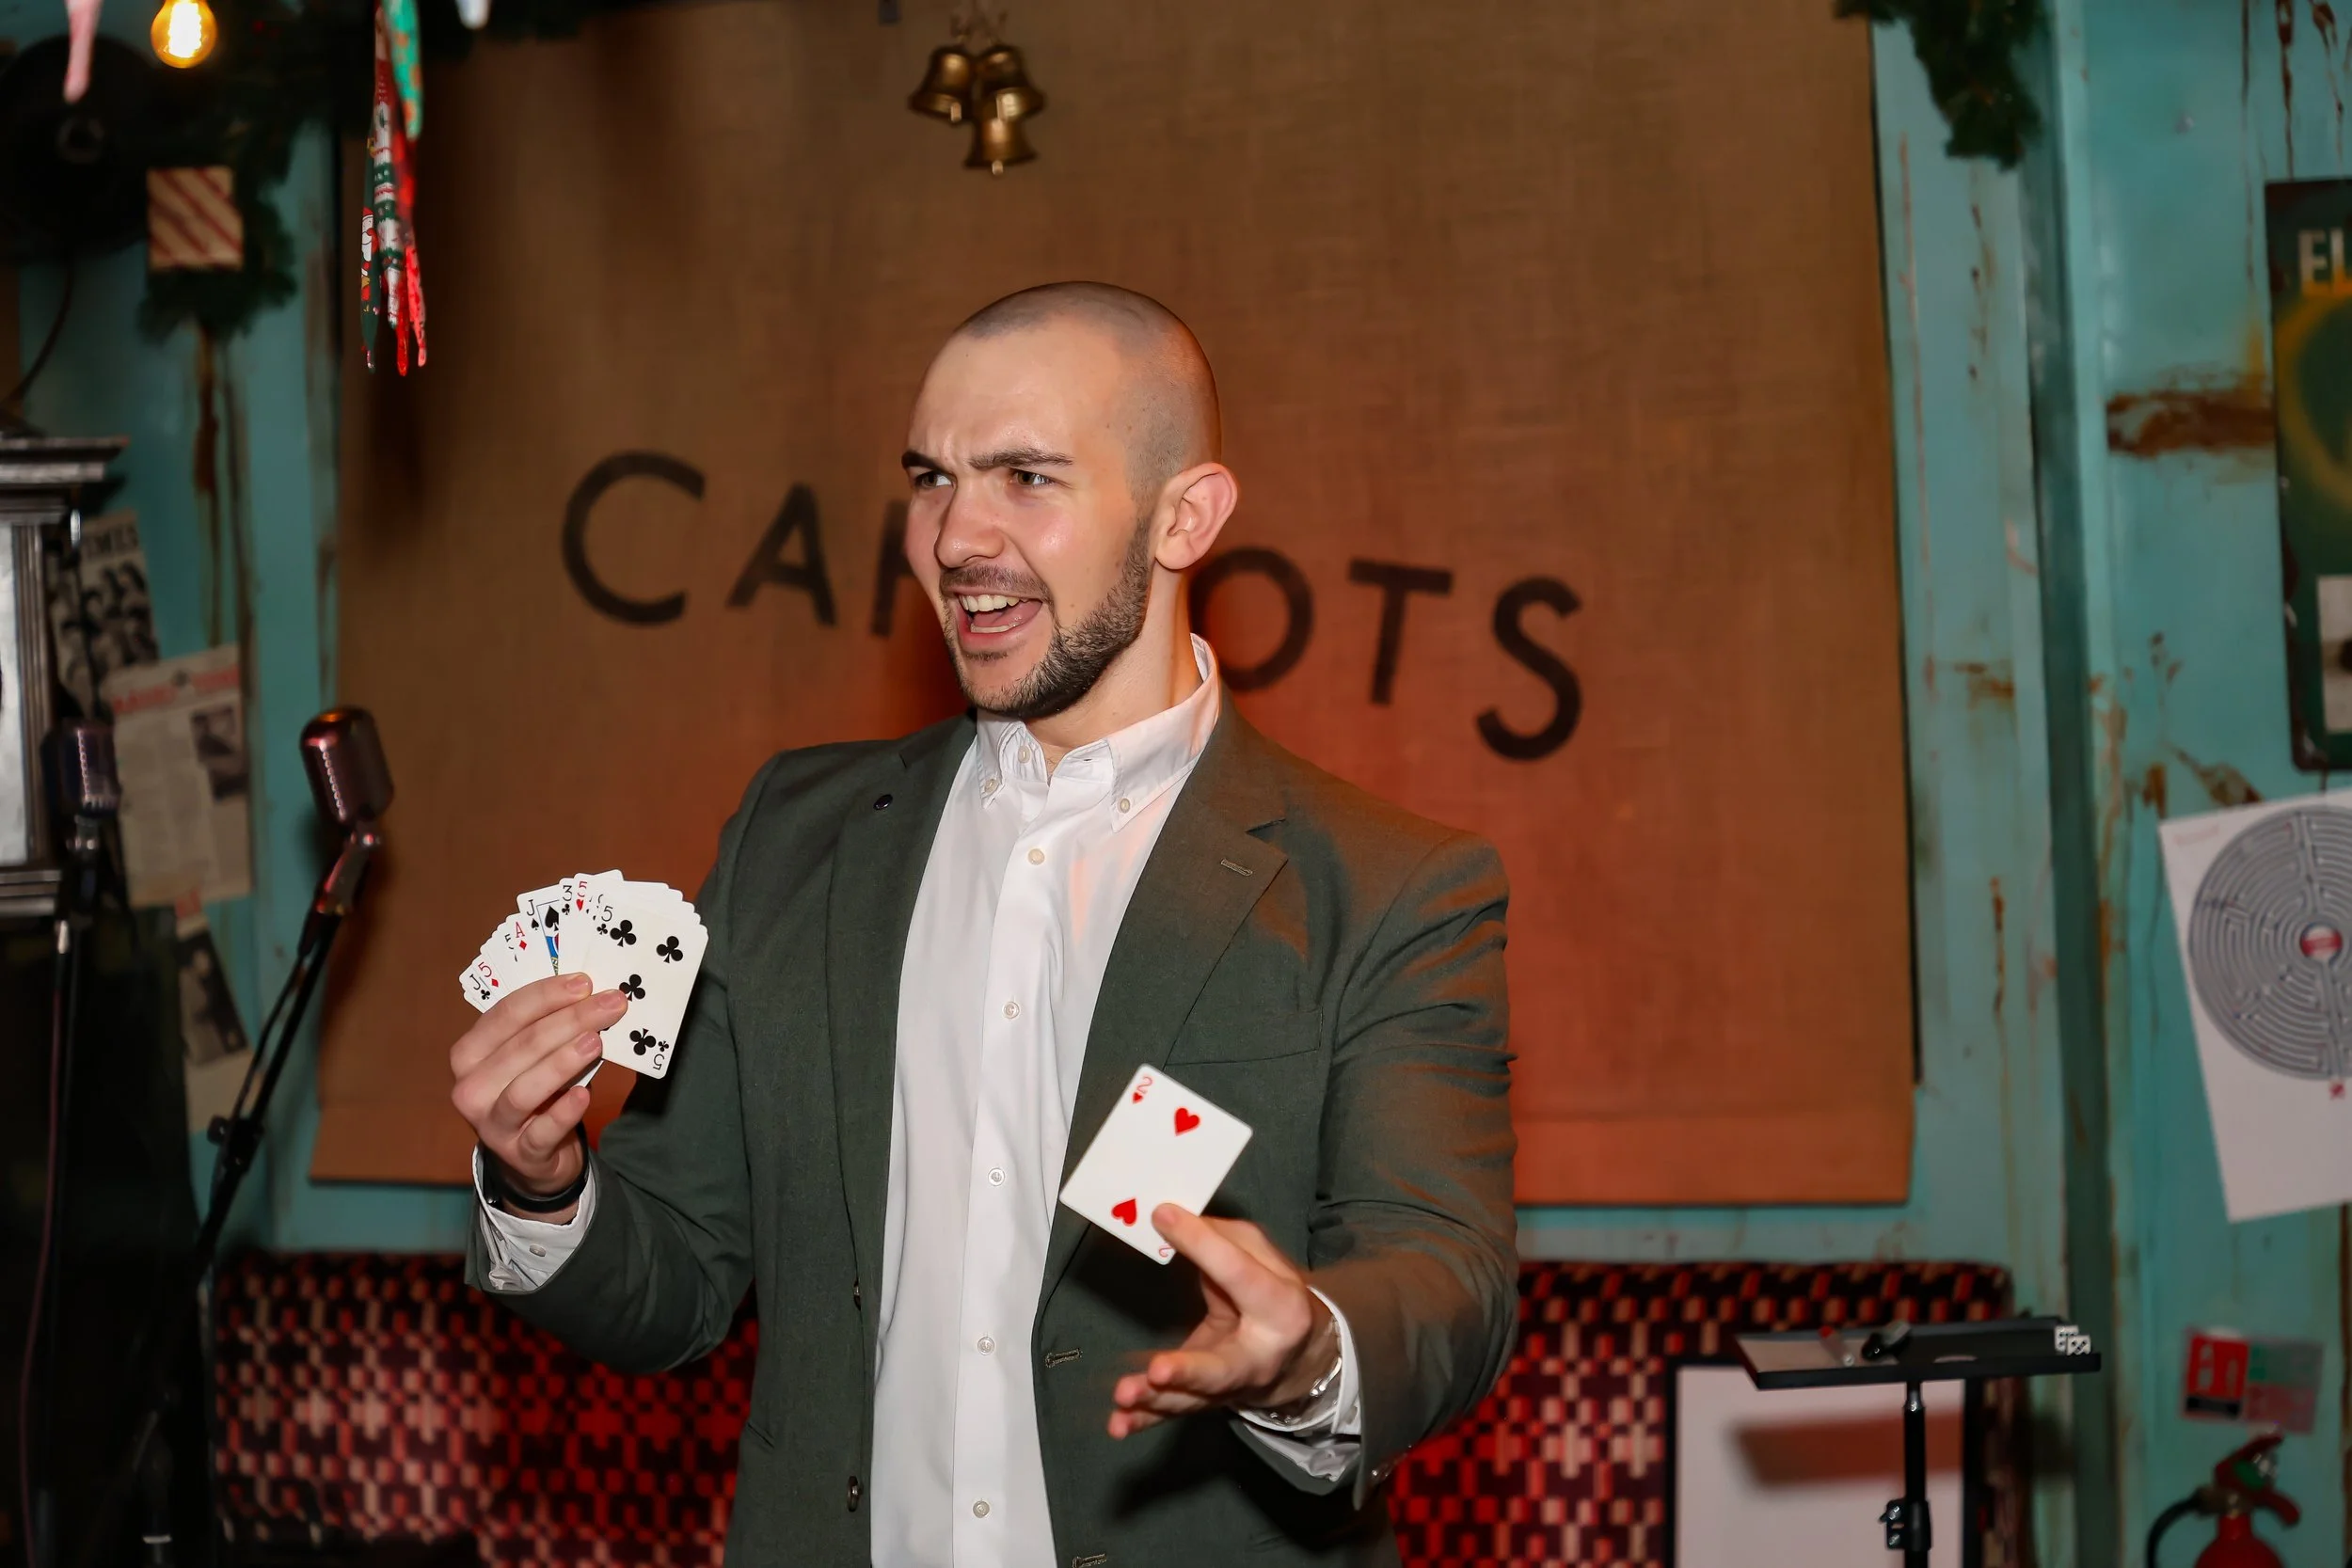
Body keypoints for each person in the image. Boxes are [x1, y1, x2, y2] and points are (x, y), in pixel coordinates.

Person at [449, 282, 1517, 1567]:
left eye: (1026, 475)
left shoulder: (1387, 887)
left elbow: (1446, 1276)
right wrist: (543, 1183)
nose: (958, 535)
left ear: (1186, 516)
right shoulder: (797, 835)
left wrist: (1310, 1349)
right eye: (932, 477)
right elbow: (679, 1276)